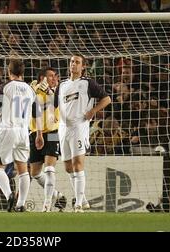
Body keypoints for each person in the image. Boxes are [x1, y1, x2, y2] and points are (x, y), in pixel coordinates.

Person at [55, 54, 111, 212]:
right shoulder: (62, 84)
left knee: (78, 164)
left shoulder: (88, 83)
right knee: (67, 167)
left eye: (77, 62)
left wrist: (93, 111)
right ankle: (84, 199)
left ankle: (78, 204)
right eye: (72, 61)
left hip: (79, 127)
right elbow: (56, 106)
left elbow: (107, 99)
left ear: (83, 66)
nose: (74, 64)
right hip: (63, 128)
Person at [0, 58, 41, 212]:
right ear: (22, 72)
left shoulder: (6, 87)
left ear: (9, 71)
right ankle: (20, 205)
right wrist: (39, 134)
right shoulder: (30, 89)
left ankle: (9, 195)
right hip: (23, 132)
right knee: (23, 169)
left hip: (7, 129)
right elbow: (37, 114)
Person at [29, 67, 67, 212]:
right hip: (35, 133)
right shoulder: (33, 90)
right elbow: (33, 110)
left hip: (53, 132)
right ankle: (57, 195)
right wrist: (37, 89)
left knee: (50, 168)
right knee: (35, 173)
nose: (53, 78)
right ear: (42, 78)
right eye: (50, 76)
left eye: (55, 76)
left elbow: (56, 103)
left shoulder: (58, 90)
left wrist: (51, 93)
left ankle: (46, 205)